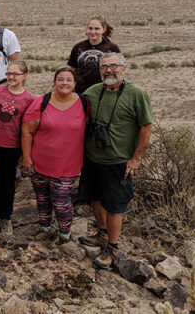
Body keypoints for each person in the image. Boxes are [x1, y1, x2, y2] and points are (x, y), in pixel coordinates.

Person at [78, 52, 153, 270]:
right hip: (93, 158)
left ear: (124, 68)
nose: (109, 70)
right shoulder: (92, 92)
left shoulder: (136, 94)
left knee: (114, 206)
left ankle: (112, 247)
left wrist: (136, 158)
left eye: (113, 66)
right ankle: (101, 233)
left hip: (119, 161)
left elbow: (146, 127)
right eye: (104, 67)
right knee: (94, 197)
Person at [20, 68, 89, 244]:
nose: (64, 83)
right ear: (53, 83)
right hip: (39, 160)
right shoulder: (41, 102)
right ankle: (45, 228)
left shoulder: (83, 103)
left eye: (68, 80)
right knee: (42, 197)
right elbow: (27, 131)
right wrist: (26, 158)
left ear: (74, 84)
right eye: (60, 79)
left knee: (61, 200)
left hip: (68, 164)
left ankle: (64, 235)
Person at [0, 60, 36, 235]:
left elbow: (29, 127)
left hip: (13, 147)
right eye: (9, 73)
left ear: (24, 76)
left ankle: (6, 218)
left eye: (15, 74)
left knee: (9, 182)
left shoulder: (29, 99)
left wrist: (24, 153)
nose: (11, 77)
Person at [68, 17, 121, 94]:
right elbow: (73, 70)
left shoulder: (112, 48)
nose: (93, 32)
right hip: (81, 91)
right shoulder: (78, 47)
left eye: (97, 29)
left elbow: (118, 70)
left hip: (104, 91)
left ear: (104, 29)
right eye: (90, 28)